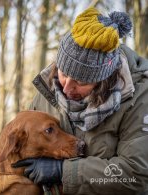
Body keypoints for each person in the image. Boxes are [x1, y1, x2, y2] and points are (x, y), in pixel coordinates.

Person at [13, 7, 148, 195]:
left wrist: (63, 172)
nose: (67, 88)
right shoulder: (47, 90)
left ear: (104, 79)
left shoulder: (139, 97)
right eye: (64, 73)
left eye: (81, 81)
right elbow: (14, 154)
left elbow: (136, 175)